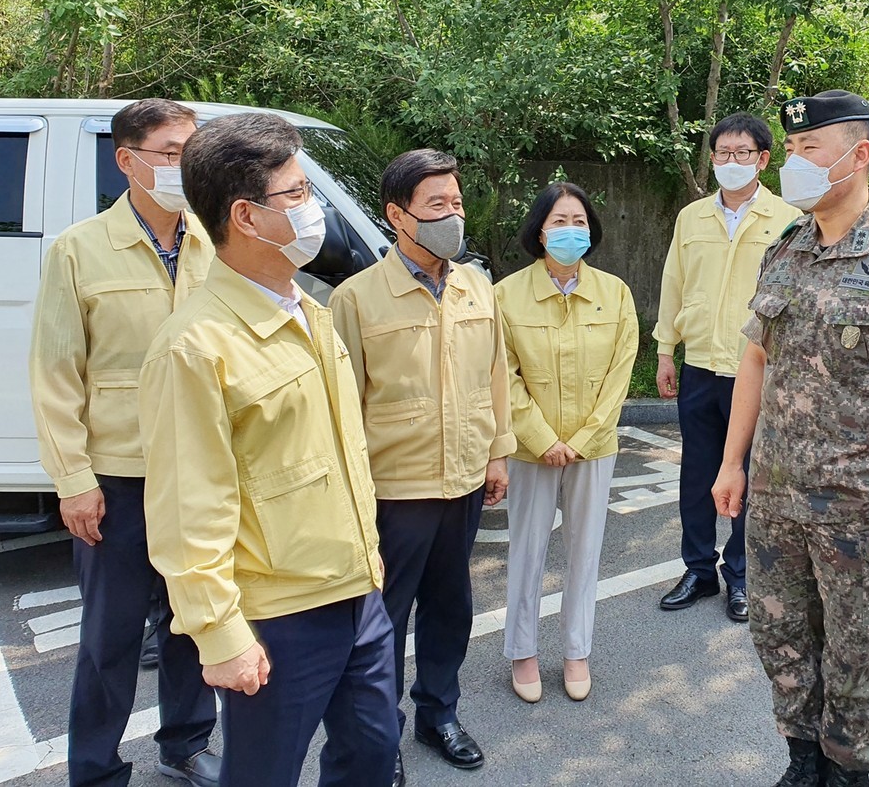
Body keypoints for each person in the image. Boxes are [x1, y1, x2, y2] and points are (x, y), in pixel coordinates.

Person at [711, 90, 869, 787]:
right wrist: (733, 462)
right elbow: (755, 361)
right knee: (780, 637)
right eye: (789, 151)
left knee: (855, 654)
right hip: (774, 496)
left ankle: (847, 772)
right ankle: (801, 761)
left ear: (859, 156)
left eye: (809, 150)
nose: (792, 163)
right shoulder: (784, 249)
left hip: (861, 507)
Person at [139, 113, 399, 787]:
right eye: (297, 194)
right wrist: (219, 633)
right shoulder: (193, 346)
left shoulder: (309, 311)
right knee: (263, 773)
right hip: (277, 617)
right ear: (247, 218)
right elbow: (188, 506)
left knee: (372, 755)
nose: (313, 209)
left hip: (358, 593)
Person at [29, 98, 219, 787]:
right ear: (127, 160)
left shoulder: (216, 243)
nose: (182, 167)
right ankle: (96, 768)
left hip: (202, 473)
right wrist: (73, 479)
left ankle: (187, 744)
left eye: (190, 153)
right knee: (109, 643)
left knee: (195, 621)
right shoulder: (79, 250)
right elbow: (54, 374)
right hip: (117, 479)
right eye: (170, 153)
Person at [331, 148, 515, 774]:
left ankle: (439, 713)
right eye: (437, 205)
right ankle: (383, 734)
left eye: (457, 203)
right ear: (396, 215)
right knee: (384, 620)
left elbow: (496, 377)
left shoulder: (476, 287)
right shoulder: (357, 299)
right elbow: (344, 405)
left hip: (463, 480)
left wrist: (498, 455)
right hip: (395, 488)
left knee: (451, 608)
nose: (452, 216)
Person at [495, 182, 639, 703]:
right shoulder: (506, 295)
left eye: (580, 221)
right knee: (527, 550)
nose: (571, 230)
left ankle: (577, 650)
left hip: (592, 448)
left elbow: (620, 376)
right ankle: (523, 651)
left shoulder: (615, 293)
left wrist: (580, 439)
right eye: (560, 221)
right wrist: (540, 438)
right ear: (539, 230)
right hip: (531, 450)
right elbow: (502, 376)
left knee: (585, 551)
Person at [654, 112, 798, 622]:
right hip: (698, 364)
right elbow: (675, 282)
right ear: (711, 158)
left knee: (750, 475)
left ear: (763, 160)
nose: (731, 162)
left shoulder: (789, 219)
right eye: (722, 154)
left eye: (742, 154)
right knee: (696, 472)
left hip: (755, 370)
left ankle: (741, 574)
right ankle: (698, 569)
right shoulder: (691, 218)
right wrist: (665, 350)